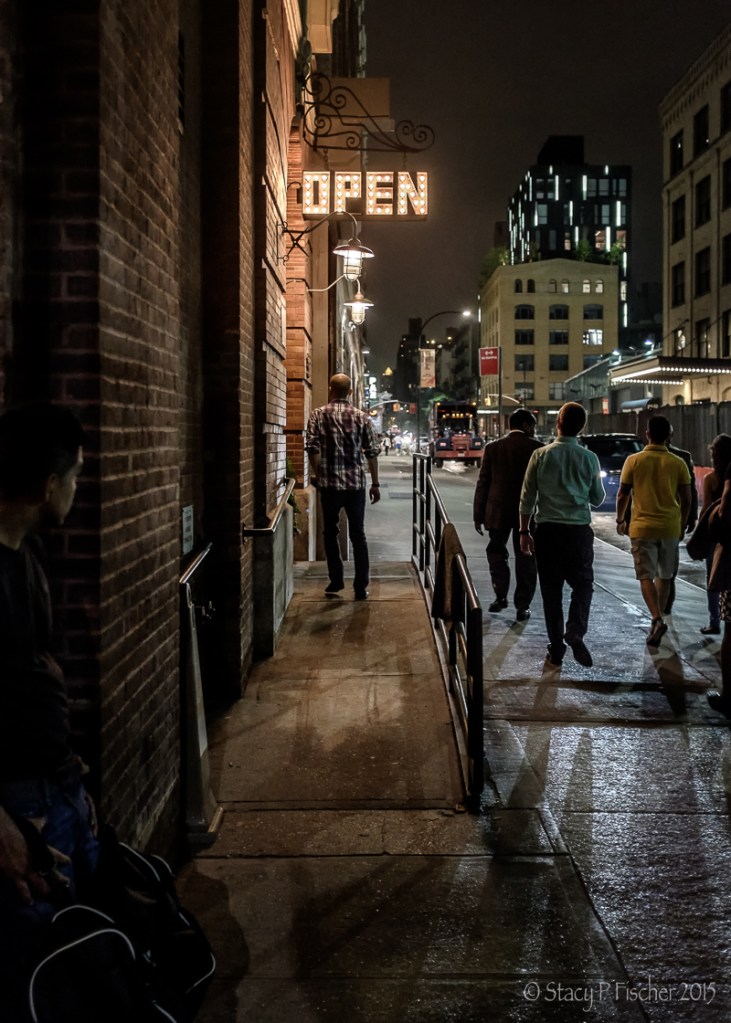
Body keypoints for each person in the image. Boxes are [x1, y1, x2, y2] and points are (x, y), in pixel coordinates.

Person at [0, 402, 97, 1017]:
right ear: (47, 485)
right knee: (35, 975)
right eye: (76, 476)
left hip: (54, 791)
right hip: (21, 812)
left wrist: (72, 778)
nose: (77, 490)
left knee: (71, 954)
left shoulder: (27, 555)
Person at [518, 402, 605, 668]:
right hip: (578, 532)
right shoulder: (589, 458)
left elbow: (527, 498)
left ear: (558, 423)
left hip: (547, 532)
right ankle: (575, 630)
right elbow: (598, 498)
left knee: (551, 592)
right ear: (582, 428)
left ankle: (556, 649)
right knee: (583, 585)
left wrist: (524, 531)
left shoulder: (540, 455)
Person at [615, 414, 692, 648]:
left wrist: (620, 519)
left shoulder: (634, 460)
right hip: (669, 527)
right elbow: (687, 499)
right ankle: (659, 619)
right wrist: (681, 525)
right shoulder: (678, 463)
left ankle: (656, 618)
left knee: (645, 576)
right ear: (669, 436)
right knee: (665, 576)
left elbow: (623, 494)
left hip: (642, 527)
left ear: (647, 434)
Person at [306, 373, 380, 600]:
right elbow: (372, 453)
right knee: (358, 535)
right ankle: (360, 587)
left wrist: (319, 475)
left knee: (330, 533)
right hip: (355, 485)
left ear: (330, 389)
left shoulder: (318, 415)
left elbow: (312, 448)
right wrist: (375, 484)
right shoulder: (362, 417)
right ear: (350, 392)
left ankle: (336, 580)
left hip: (329, 485)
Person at [473, 408, 542, 621]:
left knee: (496, 553)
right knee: (526, 557)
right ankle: (523, 605)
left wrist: (478, 514)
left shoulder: (493, 448)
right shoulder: (538, 449)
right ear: (526, 425)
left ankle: (500, 595)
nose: (534, 429)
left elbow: (483, 482)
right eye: (533, 425)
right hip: (527, 513)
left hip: (497, 510)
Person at [662, 423, 699, 615]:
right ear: (671, 436)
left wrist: (625, 519)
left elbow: (629, 492)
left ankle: (659, 609)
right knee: (669, 568)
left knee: (653, 570)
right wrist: (691, 518)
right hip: (674, 519)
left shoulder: (639, 457)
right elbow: (690, 492)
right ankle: (665, 607)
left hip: (647, 521)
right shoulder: (683, 457)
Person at [699, 434, 731, 635]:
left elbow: (705, 509)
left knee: (712, 577)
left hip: (716, 535)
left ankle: (714, 621)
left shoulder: (710, 479)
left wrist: (700, 534)